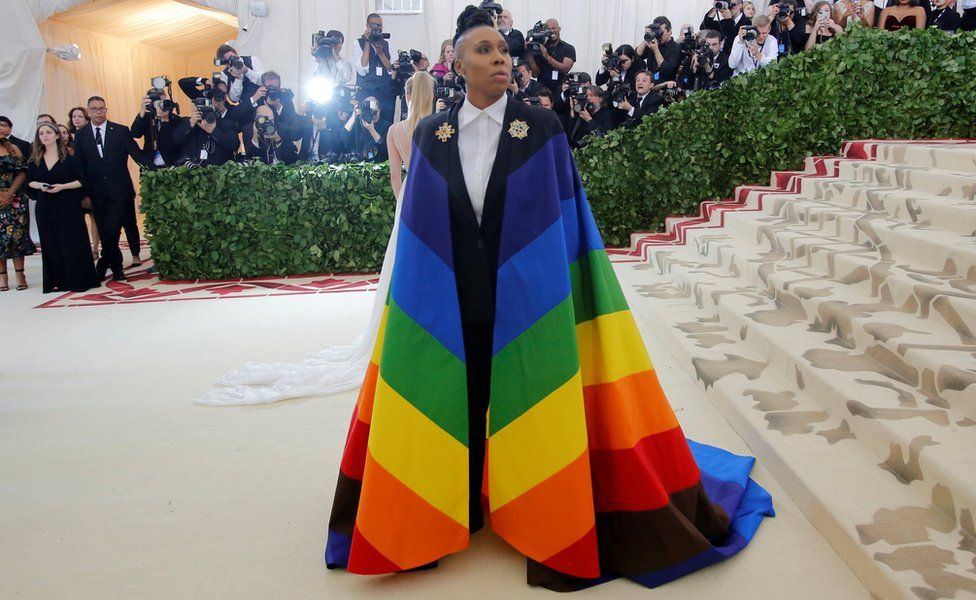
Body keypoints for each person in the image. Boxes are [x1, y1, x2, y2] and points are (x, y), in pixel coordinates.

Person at [324, 6, 772, 591]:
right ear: (456, 64)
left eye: (504, 49)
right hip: (452, 301)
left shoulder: (543, 130)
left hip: (531, 303)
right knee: (458, 390)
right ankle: (452, 497)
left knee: (526, 393)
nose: (500, 57)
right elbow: (418, 236)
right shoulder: (431, 139)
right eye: (483, 50)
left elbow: (566, 222)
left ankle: (535, 503)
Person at [72, 96, 146, 280]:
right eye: (94, 109)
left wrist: (156, 169)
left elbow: (136, 154)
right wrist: (84, 194)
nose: (98, 112)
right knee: (105, 231)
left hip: (120, 191)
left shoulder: (120, 131)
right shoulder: (81, 136)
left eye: (101, 108)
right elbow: (79, 167)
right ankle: (115, 267)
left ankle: (105, 264)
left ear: (106, 110)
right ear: (88, 111)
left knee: (113, 229)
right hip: (96, 193)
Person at [26, 123, 99, 293]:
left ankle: (78, 279)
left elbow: (81, 180)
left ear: (57, 135)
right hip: (45, 207)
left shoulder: (69, 157)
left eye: (49, 132)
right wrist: (40, 185)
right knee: (51, 243)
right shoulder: (34, 159)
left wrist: (62, 186)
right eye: (41, 133)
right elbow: (29, 181)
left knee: (71, 242)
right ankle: (58, 280)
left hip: (68, 206)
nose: (45, 136)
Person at [388, 71, 434, 197]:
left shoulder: (394, 131)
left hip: (410, 192)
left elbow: (395, 176)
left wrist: (401, 203)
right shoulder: (439, 126)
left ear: (407, 96)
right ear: (431, 96)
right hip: (436, 191)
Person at [0, 133, 36, 291]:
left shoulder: (12, 148)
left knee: (17, 236)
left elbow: (22, 172)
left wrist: (10, 193)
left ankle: (20, 274)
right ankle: (2, 277)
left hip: (14, 199)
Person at [65, 107, 98, 258]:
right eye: (74, 116)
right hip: (71, 186)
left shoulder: (91, 135)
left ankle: (95, 248)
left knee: (94, 217)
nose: (76, 119)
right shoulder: (68, 141)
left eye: (80, 116)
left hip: (89, 183)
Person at [352, 13, 396, 124]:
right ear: (367, 26)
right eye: (374, 25)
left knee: (385, 125)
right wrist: (367, 43)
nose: (377, 28)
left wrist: (380, 53)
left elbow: (391, 70)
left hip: (385, 93)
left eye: (380, 25)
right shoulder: (358, 43)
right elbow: (362, 70)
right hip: (366, 91)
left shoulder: (387, 44)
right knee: (364, 124)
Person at [172, 101, 239, 167]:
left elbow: (234, 145)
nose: (204, 113)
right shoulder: (187, 122)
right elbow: (175, 140)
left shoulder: (226, 124)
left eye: (208, 109)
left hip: (220, 171)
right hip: (194, 171)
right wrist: (191, 123)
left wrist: (213, 131)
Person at [527, 18, 576, 94]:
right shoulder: (540, 47)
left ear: (559, 29)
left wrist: (547, 57)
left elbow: (565, 69)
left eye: (554, 28)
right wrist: (529, 53)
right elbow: (535, 74)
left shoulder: (568, 48)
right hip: (542, 91)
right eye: (548, 29)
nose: (552, 31)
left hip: (560, 91)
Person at [636, 17, 682, 83]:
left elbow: (667, 70)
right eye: (657, 32)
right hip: (650, 85)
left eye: (661, 32)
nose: (659, 35)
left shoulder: (676, 48)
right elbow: (637, 55)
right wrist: (647, 37)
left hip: (666, 87)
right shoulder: (652, 43)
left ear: (670, 32)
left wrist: (656, 50)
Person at [344, 96, 389, 162]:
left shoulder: (387, 126)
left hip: (379, 165)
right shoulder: (358, 124)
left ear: (379, 110)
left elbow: (386, 149)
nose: (372, 114)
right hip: (359, 165)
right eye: (368, 111)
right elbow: (344, 141)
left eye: (374, 111)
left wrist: (372, 130)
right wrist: (354, 115)